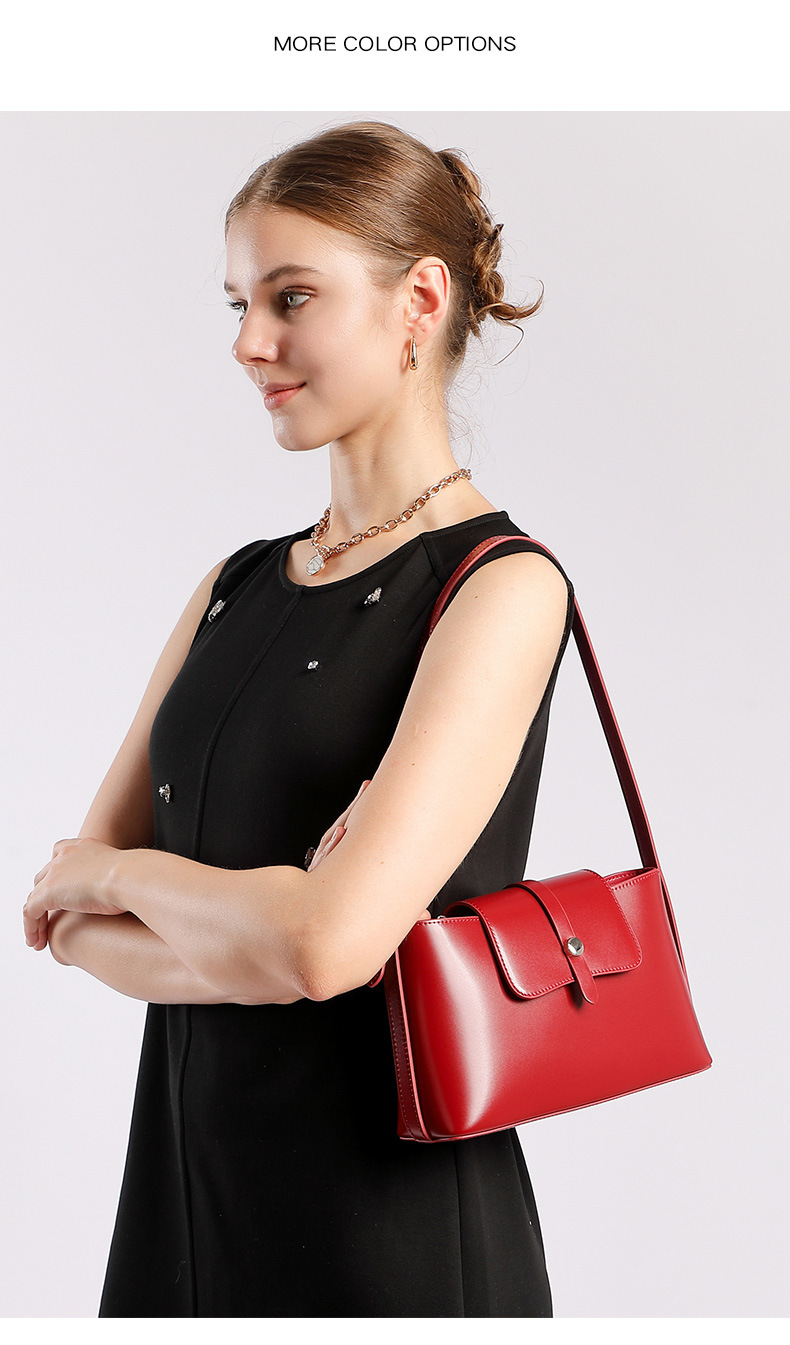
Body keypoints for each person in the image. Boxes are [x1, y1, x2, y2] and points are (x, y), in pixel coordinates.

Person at [23, 121, 575, 1317]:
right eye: (239, 303)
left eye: (291, 297)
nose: (247, 342)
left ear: (417, 299)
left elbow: (319, 945)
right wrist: (269, 939)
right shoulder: (232, 586)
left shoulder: (500, 587)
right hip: (182, 1209)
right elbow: (63, 924)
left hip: (387, 1235)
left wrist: (126, 876)